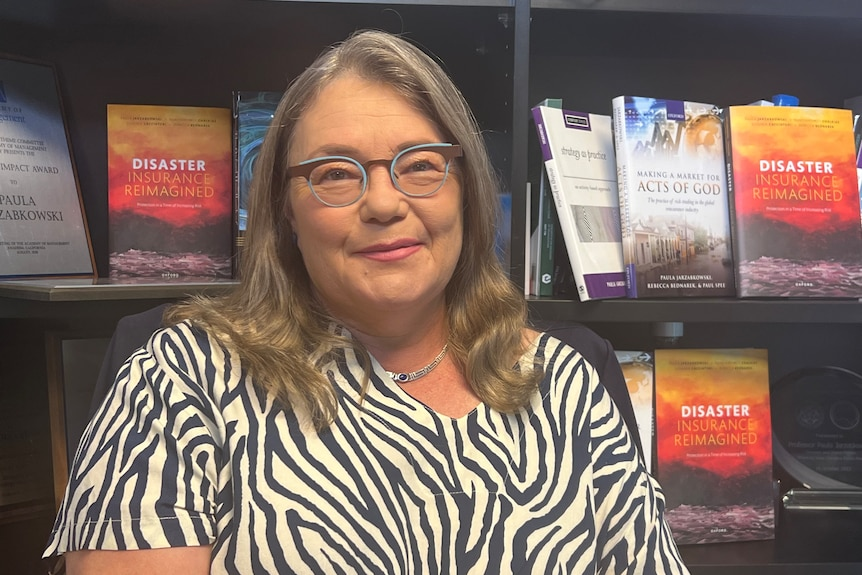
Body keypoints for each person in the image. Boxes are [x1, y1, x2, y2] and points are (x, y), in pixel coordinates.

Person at [44, 29, 689, 574]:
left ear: (465, 188)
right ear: (284, 210)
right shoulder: (179, 378)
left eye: (420, 164)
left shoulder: (568, 381)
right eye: (334, 173)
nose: (384, 203)